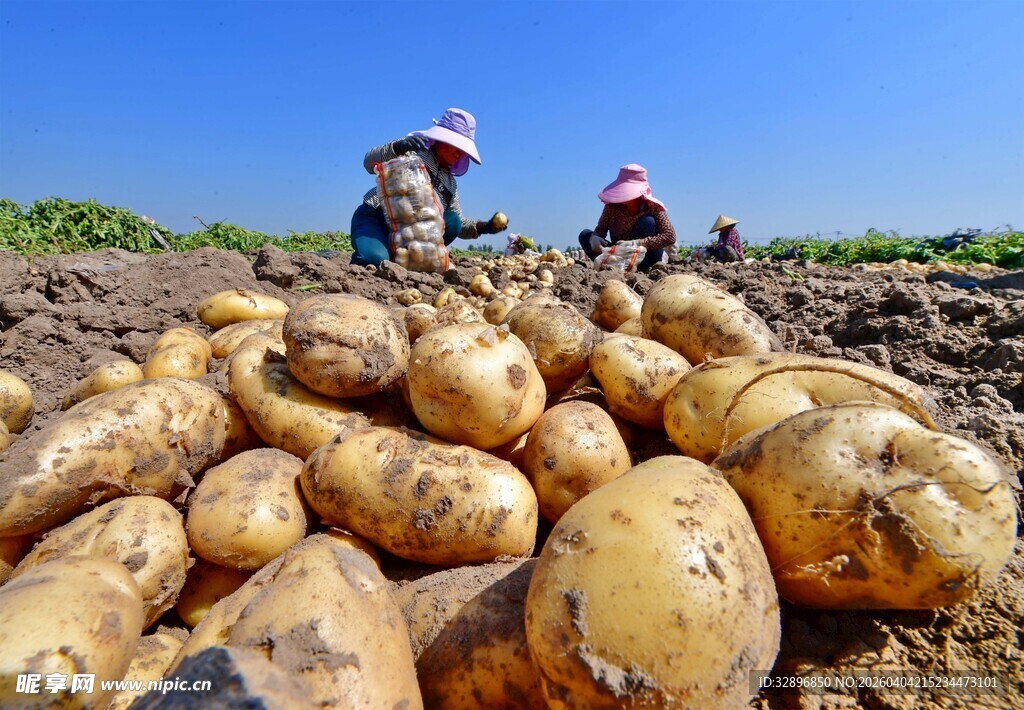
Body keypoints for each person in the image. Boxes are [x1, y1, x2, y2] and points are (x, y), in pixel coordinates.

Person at [350, 108, 507, 268]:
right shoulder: (413, 150)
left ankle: (403, 258)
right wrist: (398, 147)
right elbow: (369, 163)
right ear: (442, 139)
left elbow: (458, 224)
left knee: (453, 220)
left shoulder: (450, 185)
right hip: (376, 216)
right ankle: (377, 252)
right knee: (374, 258)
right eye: (456, 146)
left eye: (463, 150)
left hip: (407, 235)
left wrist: (484, 227)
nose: (459, 154)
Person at [578, 164, 676, 272]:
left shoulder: (653, 207)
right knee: (585, 235)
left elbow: (670, 236)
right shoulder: (612, 206)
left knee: (648, 222)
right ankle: (610, 266)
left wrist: (637, 243)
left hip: (645, 256)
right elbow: (601, 229)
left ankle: (639, 268)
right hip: (618, 254)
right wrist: (595, 238)